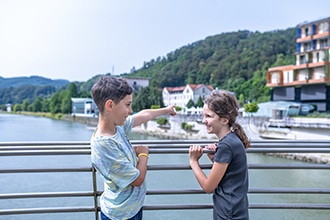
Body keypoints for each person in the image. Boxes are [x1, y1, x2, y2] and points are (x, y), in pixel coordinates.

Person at [90, 76, 176, 220]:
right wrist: (143, 155)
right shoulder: (104, 145)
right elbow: (137, 180)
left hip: (130, 208)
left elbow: (143, 115)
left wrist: (165, 110)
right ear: (110, 105)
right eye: (127, 105)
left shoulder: (117, 127)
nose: (130, 111)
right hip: (120, 214)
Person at [189, 90, 250, 220]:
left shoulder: (225, 145)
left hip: (228, 213)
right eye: (203, 115)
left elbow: (208, 187)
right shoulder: (233, 139)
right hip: (237, 209)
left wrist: (193, 162)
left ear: (224, 120)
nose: (204, 121)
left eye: (209, 116)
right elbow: (231, 173)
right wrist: (215, 159)